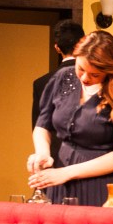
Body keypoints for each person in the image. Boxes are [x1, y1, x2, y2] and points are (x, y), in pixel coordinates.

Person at [27, 30, 113, 207]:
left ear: (109, 70)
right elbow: (42, 125)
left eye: (95, 74)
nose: (84, 78)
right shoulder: (62, 78)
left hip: (101, 187)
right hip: (59, 180)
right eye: (80, 69)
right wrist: (43, 153)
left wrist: (67, 173)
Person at [32, 19, 85, 167]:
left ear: (57, 48)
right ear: (83, 43)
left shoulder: (41, 82)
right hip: (91, 161)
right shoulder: (97, 78)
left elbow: (39, 126)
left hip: (55, 160)